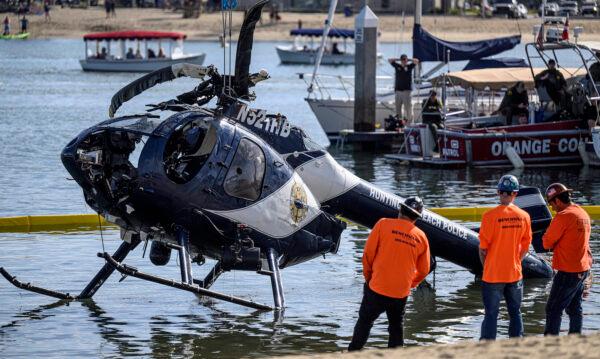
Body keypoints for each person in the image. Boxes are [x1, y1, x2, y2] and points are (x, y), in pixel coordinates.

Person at [348, 197, 430, 351]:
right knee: (396, 327)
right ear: (417, 218)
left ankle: (353, 353)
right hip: (400, 293)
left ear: (400, 210)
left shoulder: (383, 224)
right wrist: (410, 284)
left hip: (377, 287)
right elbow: (424, 270)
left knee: (365, 322)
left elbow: (367, 255)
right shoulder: (421, 237)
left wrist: (369, 277)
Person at [478, 175, 532, 340]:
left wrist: (487, 266)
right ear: (515, 194)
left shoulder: (489, 216)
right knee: (515, 312)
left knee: (491, 314)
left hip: (493, 274)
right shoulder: (524, 216)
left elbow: (482, 249)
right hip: (514, 274)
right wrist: (516, 261)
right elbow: (526, 245)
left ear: (498, 192)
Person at [542, 183, 593, 336]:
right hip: (582, 270)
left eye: (551, 204)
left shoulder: (563, 216)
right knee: (574, 309)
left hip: (568, 272)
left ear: (557, 201)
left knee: (553, 309)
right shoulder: (582, 213)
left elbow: (546, 243)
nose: (552, 208)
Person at [389, 54, 419, 124]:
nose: (404, 61)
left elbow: (416, 61)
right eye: (402, 60)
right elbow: (389, 60)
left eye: (405, 60)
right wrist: (399, 60)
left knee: (408, 108)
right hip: (398, 91)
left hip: (407, 91)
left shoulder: (409, 66)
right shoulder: (397, 66)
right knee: (398, 109)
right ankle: (399, 123)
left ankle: (410, 124)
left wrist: (409, 60)